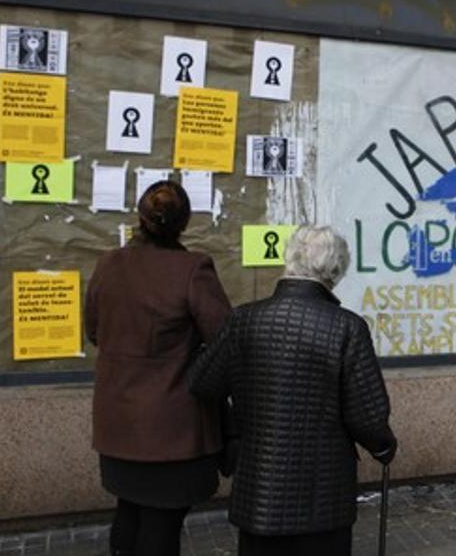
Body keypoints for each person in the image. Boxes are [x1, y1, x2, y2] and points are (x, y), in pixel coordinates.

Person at [188, 225, 397, 556]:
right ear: (336, 270)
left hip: (259, 489)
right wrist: (383, 447)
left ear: (290, 259)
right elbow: (367, 414)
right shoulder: (347, 326)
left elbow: (203, 382)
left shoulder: (243, 319)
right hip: (323, 493)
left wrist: (233, 433)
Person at [85, 180, 232, 556]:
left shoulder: (109, 264)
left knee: (130, 512)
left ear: (140, 217)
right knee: (160, 524)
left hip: (118, 424)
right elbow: (227, 340)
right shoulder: (192, 268)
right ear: (184, 223)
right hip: (172, 432)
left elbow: (94, 331)